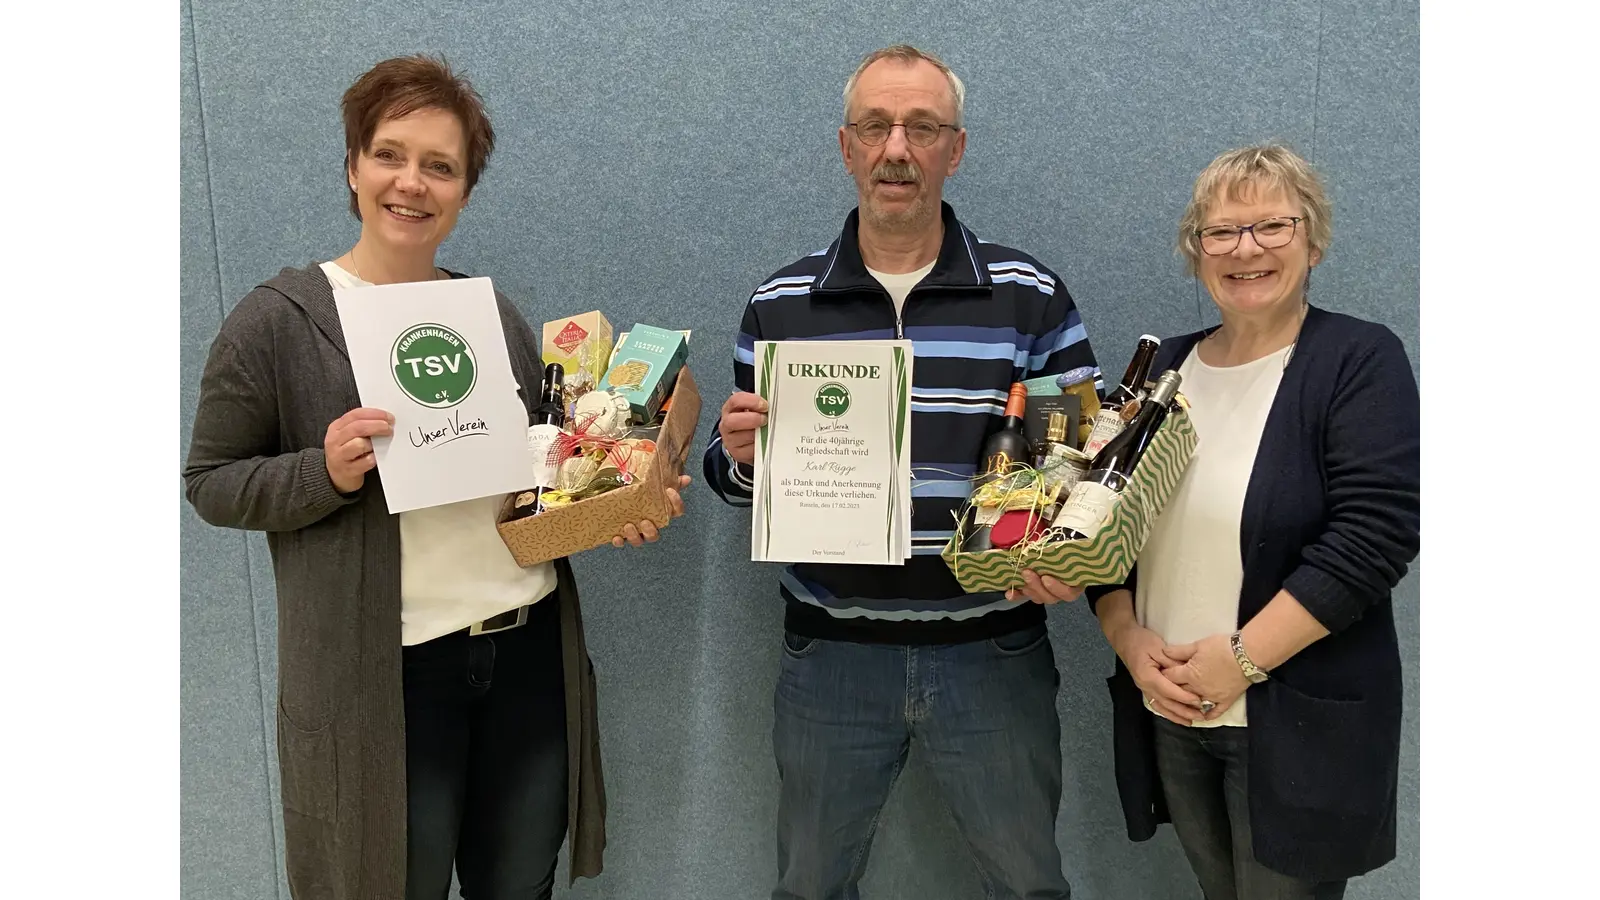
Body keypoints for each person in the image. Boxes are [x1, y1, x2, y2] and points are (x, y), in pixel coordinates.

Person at [183, 54, 688, 900]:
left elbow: (540, 478)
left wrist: (610, 509)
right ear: (353, 167)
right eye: (389, 154)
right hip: (388, 678)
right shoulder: (278, 320)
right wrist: (325, 472)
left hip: (526, 651)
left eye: (440, 166)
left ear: (462, 189)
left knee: (519, 884)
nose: (410, 183)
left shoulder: (489, 313)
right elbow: (210, 480)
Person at [704, 44, 1099, 900]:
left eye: (923, 128)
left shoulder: (1030, 295)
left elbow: (1084, 465)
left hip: (992, 649)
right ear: (846, 146)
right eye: (877, 126)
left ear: (954, 150)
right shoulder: (782, 303)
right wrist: (737, 458)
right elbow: (732, 472)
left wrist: (1064, 552)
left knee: (1030, 885)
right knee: (810, 887)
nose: (897, 148)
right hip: (831, 656)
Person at [1086, 144, 1420, 900]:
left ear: (1314, 239)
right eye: (1221, 232)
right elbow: (1103, 535)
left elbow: (1374, 541)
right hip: (1169, 707)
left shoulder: (1357, 360)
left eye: (1272, 225)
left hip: (1292, 720)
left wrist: (1236, 662)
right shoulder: (1160, 371)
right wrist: (1130, 642)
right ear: (1195, 250)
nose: (1245, 250)